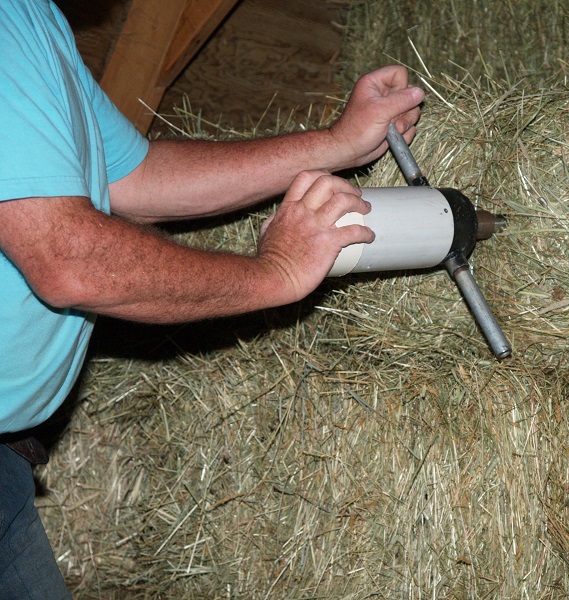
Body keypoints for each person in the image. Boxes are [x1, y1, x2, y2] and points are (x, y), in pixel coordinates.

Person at [0, 0, 424, 597]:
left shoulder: (34, 23)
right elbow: (68, 256)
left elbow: (136, 177)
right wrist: (273, 273)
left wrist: (337, 144)